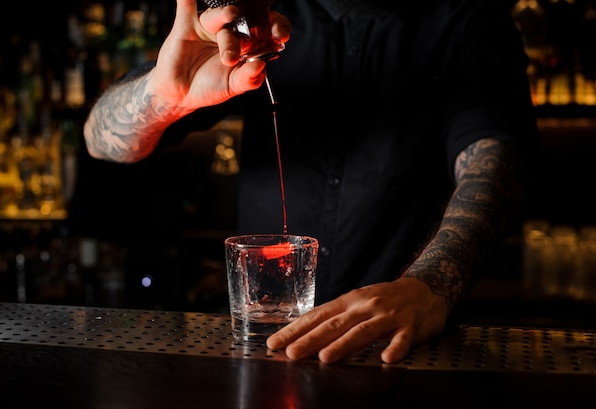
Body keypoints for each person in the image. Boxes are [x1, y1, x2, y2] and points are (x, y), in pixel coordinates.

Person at [83, 0, 539, 364]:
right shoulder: (255, 22)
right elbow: (103, 142)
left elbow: (494, 167)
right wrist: (163, 94)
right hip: (266, 352)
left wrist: (429, 286)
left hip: (402, 353)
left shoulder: (470, 20)